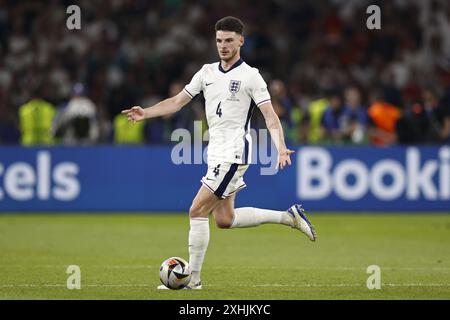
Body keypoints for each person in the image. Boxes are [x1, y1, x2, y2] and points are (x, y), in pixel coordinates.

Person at [122, 16, 317, 290]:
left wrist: (281, 147)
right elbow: (177, 102)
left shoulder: (251, 76)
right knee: (224, 219)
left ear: (241, 41)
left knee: (196, 210)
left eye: (228, 40)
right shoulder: (206, 73)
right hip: (215, 153)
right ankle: (289, 217)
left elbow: (270, 117)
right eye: (218, 41)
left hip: (234, 154)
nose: (223, 46)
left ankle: (193, 279)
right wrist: (147, 112)